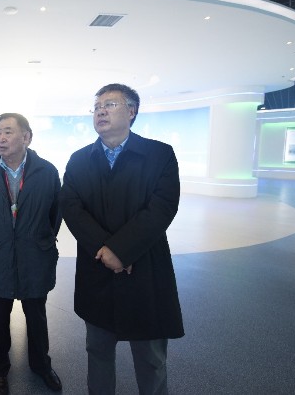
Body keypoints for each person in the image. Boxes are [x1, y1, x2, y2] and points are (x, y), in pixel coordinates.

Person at [59, 83, 184, 395]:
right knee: (98, 351)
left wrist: (121, 251)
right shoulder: (79, 159)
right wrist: (106, 250)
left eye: (110, 104)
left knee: (151, 358)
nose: (101, 110)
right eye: (97, 106)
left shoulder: (159, 154)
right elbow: (71, 207)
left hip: (145, 269)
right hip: (96, 268)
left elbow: (162, 207)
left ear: (132, 111)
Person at [0, 113, 62, 395]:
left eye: (8, 132)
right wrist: (0, 237)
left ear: (27, 137)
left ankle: (41, 366)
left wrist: (34, 237)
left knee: (36, 317)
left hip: (35, 256)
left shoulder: (47, 172)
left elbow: (55, 216)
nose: (1, 138)